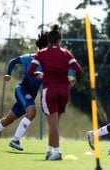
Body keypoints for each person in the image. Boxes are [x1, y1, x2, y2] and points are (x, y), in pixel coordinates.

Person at [28, 24, 82, 160]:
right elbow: (79, 70)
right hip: (64, 91)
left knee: (52, 123)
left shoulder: (41, 53)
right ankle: (50, 150)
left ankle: (57, 152)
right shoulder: (66, 53)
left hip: (50, 91)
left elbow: (30, 72)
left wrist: (39, 75)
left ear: (48, 41)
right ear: (60, 40)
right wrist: (76, 80)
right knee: (55, 123)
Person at [0, 31, 49, 151]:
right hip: (22, 90)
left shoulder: (48, 64)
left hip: (30, 94)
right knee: (32, 112)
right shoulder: (30, 58)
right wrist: (8, 74)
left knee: (8, 120)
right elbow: (14, 61)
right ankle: (15, 140)